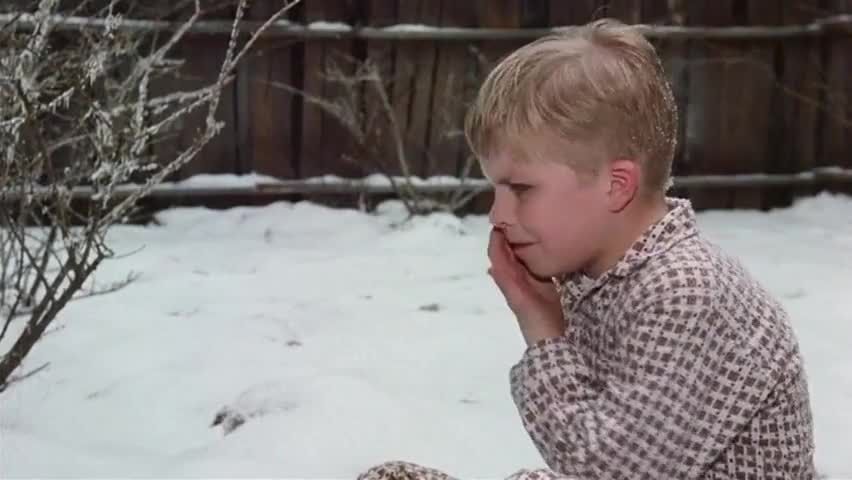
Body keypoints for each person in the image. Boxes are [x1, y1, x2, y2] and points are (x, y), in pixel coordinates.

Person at [357, 18, 816, 480]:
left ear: (616, 186)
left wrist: (544, 329)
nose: (497, 214)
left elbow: (603, 471)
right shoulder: (606, 274)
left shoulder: (684, 291)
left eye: (521, 189)